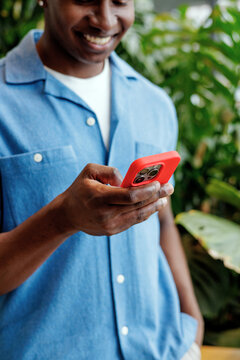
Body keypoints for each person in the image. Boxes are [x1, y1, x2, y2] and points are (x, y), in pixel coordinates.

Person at [0, 0, 204, 359]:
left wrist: (192, 324)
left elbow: (162, 221)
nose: (106, 20)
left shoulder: (154, 104)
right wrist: (63, 218)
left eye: (121, 1)